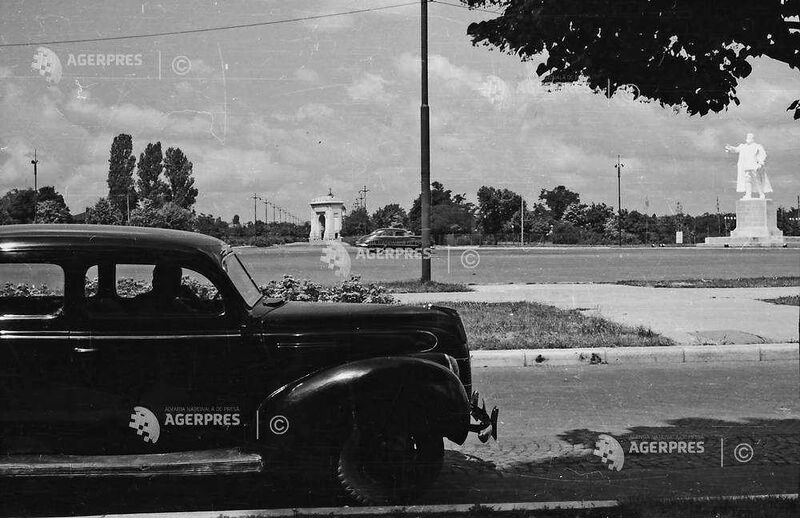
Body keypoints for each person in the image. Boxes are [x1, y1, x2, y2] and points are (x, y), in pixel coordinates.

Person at [725, 133, 770, 200]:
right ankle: (748, 194)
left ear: (753, 138)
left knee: (757, 180)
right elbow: (736, 149)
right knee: (747, 180)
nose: (748, 138)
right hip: (746, 166)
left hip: (754, 166)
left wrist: (760, 163)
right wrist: (730, 148)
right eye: (748, 137)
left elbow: (763, 154)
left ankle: (761, 194)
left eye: (750, 137)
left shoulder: (757, 146)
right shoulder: (743, 146)